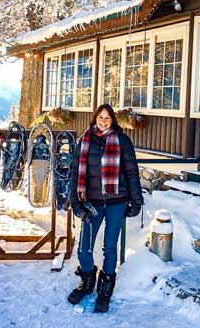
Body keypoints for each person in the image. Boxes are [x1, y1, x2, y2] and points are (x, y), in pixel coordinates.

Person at [67, 104, 143, 313]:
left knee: (110, 248)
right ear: (95, 119)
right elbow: (75, 172)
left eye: (107, 118)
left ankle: (105, 290)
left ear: (113, 121)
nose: (103, 121)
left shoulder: (122, 141)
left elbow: (132, 172)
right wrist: (75, 201)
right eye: (100, 117)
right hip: (92, 202)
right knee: (84, 249)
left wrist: (136, 200)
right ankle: (87, 282)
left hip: (117, 202)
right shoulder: (85, 141)